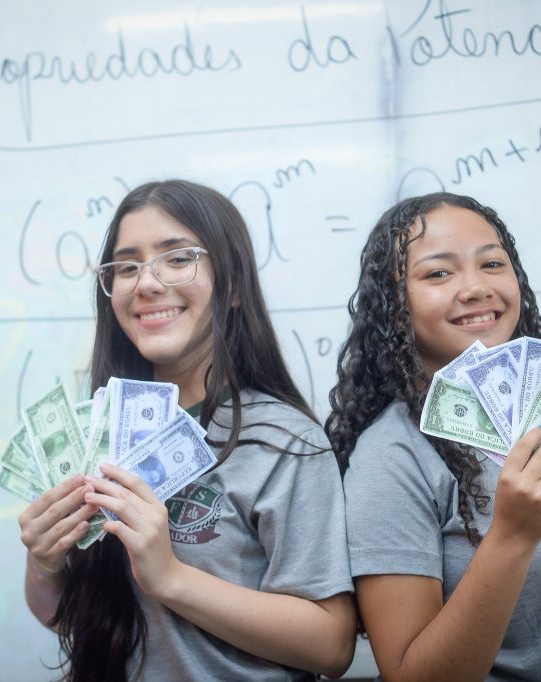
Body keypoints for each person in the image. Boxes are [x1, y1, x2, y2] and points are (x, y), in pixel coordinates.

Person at [19, 180, 356, 681]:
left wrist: (172, 579)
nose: (147, 283)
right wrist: (43, 565)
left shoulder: (282, 441)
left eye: (177, 258)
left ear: (235, 287)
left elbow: (331, 645)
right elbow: (70, 618)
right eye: (127, 266)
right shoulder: (97, 435)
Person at [326, 192, 541, 681]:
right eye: (438, 273)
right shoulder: (392, 457)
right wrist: (512, 535)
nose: (476, 287)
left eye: (492, 263)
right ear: (395, 304)